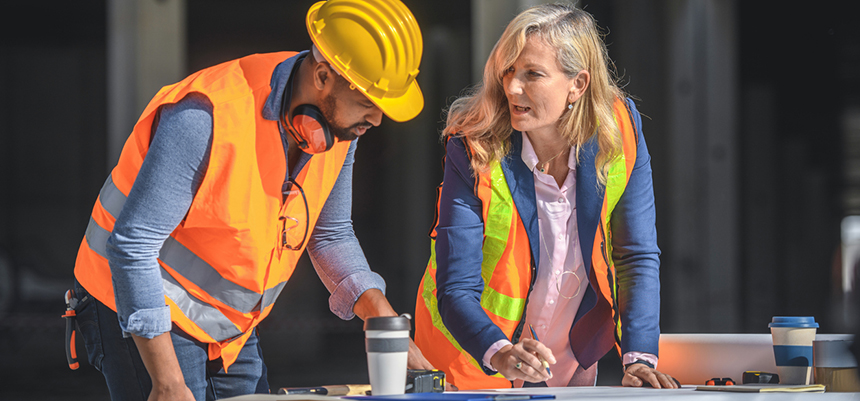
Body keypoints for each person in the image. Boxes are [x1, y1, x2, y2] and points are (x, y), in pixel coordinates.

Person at [69, 0, 432, 400]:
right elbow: (132, 247)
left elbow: (330, 234)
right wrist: (167, 381)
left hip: (228, 327)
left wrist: (376, 311)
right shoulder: (205, 116)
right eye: (368, 103)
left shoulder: (338, 132)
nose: (376, 120)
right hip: (137, 305)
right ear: (324, 75)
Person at [414, 3, 677, 390]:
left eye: (532, 74)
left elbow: (634, 255)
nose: (512, 87)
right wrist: (500, 352)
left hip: (570, 361)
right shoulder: (472, 148)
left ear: (578, 84)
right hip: (470, 361)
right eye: (508, 71)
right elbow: (456, 287)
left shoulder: (621, 131)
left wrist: (639, 358)